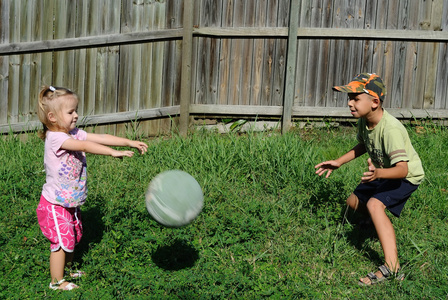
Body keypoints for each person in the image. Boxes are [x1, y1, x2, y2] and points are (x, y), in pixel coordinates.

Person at [314, 73, 424, 286]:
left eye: (355, 98)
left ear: (374, 102)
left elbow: (402, 169)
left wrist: (379, 173)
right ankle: (375, 224)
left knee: (375, 205)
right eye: (350, 98)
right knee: (352, 203)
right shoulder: (365, 122)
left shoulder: (390, 129)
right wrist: (339, 161)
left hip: (406, 177)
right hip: (383, 171)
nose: (349, 103)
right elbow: (363, 145)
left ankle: (392, 268)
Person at [36, 85, 148, 290]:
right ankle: (56, 282)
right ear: (52, 117)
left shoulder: (73, 132)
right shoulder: (57, 138)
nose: (76, 115)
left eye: (76, 110)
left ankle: (67, 270)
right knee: (61, 242)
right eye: (70, 112)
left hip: (70, 201)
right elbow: (86, 147)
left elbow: (101, 138)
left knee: (73, 236)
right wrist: (113, 153)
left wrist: (128, 142)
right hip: (55, 204)